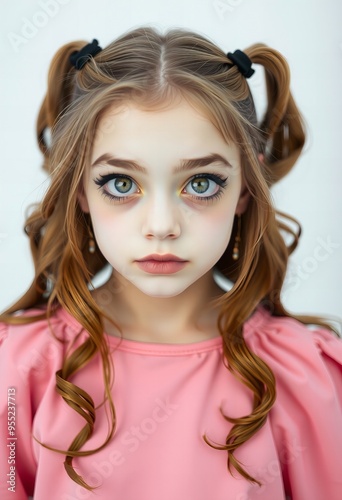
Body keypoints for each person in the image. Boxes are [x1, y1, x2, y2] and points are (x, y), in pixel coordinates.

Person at [0, 26, 341, 500]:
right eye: (121, 183)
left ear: (245, 186)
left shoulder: (309, 379)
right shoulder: (15, 374)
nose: (161, 226)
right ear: (79, 188)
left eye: (201, 183)